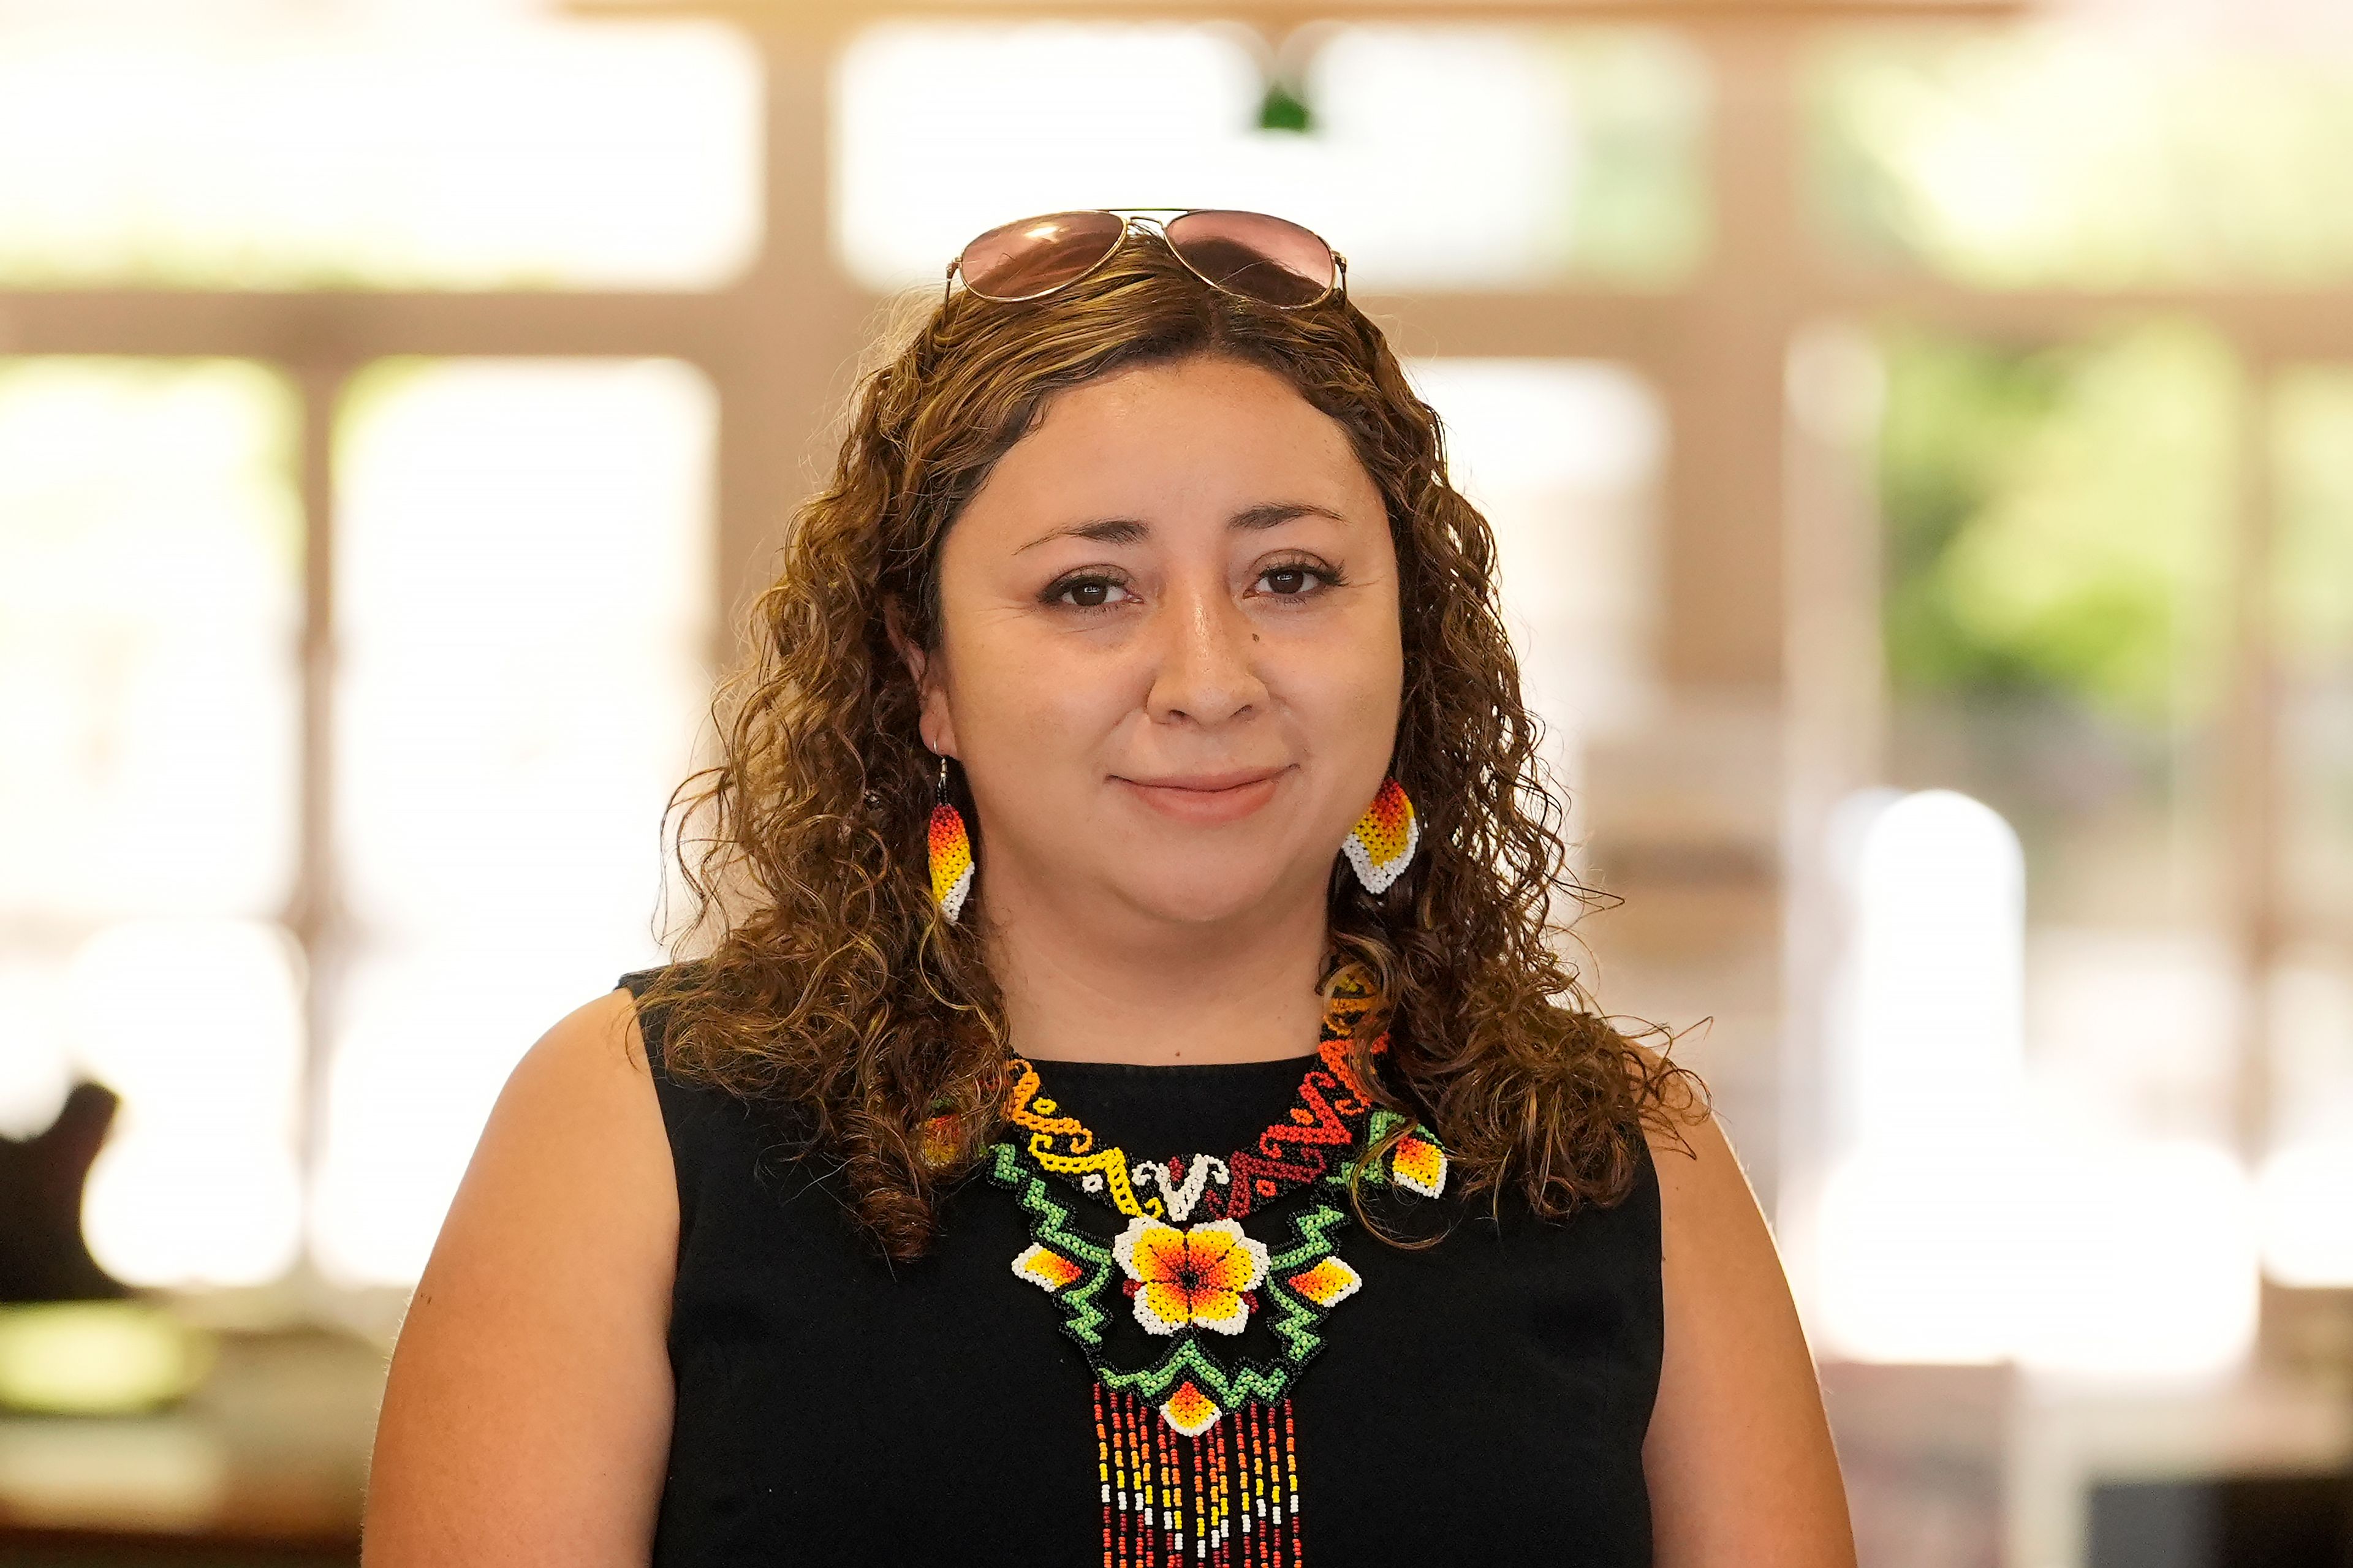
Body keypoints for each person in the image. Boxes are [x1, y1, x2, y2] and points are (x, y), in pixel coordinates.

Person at [359, 209, 1854, 1567]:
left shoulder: (1627, 1157)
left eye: (1292, 577)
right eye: (1091, 588)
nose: (1209, 679)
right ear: (921, 667)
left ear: (1417, 628)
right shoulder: (633, 1123)